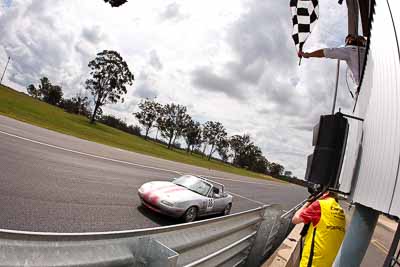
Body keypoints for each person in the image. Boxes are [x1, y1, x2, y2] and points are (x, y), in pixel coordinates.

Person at [292, 191, 346, 267]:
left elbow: (295, 219)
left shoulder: (320, 205)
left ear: (326, 193)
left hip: (312, 261)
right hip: (327, 263)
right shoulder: (341, 211)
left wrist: (308, 202)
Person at [298, 34, 366, 89]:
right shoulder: (370, 50)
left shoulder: (349, 50)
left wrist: (309, 54)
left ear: (349, 41)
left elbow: (326, 52)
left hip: (363, 85)